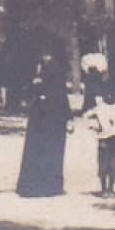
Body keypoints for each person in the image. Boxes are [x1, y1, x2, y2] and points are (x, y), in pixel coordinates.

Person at [16, 55, 72, 196]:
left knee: (46, 152)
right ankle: (40, 185)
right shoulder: (40, 82)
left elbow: (63, 101)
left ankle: (47, 185)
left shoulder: (55, 82)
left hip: (49, 122)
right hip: (44, 122)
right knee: (41, 151)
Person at [84, 88, 115, 197]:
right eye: (107, 93)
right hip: (104, 138)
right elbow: (86, 117)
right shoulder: (99, 108)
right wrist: (94, 126)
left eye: (113, 93)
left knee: (114, 163)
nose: (110, 96)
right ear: (103, 95)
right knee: (103, 163)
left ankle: (111, 188)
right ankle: (103, 188)